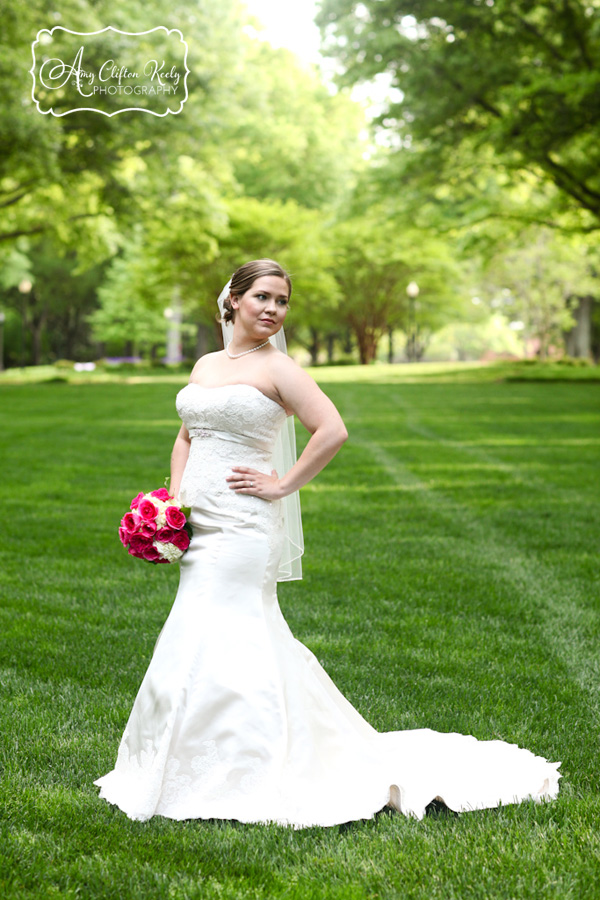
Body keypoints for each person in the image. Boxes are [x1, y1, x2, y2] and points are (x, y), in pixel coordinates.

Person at [95, 258, 560, 827]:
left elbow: (332, 429)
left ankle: (247, 767)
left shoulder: (280, 368)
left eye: (282, 301)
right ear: (234, 301)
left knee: (228, 627)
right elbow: (187, 435)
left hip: (245, 526)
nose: (272, 309)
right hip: (200, 520)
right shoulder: (207, 364)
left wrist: (282, 483)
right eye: (262, 297)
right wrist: (171, 501)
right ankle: (188, 759)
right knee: (199, 629)